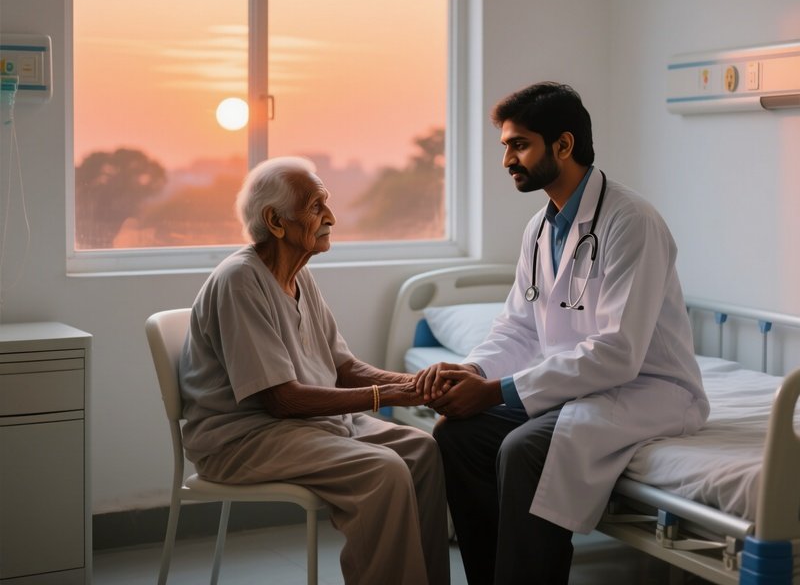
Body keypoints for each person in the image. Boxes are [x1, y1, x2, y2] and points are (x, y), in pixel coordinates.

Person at [416, 82, 709, 585]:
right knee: (457, 435)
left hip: (646, 389)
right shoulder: (539, 228)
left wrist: (497, 391)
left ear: (564, 144)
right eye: (505, 146)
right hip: (575, 386)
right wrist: (472, 371)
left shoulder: (631, 221)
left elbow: (618, 351)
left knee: (524, 449)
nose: (507, 159)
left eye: (519, 145)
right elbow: (518, 327)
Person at [180, 156, 450, 585]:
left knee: (422, 451)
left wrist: (417, 384)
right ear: (276, 221)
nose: (331, 217)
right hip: (244, 438)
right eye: (316, 206)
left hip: (309, 426)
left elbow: (344, 367)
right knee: (383, 470)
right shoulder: (239, 280)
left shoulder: (298, 274)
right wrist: (389, 396)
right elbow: (281, 400)